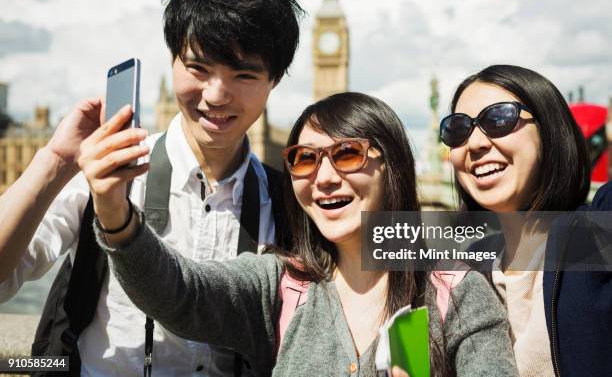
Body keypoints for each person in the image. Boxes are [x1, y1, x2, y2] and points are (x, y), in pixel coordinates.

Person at [84, 92, 519, 376]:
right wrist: (114, 211)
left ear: (392, 165)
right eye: (305, 159)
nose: (324, 177)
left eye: (347, 154)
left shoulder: (456, 294)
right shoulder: (281, 285)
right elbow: (178, 293)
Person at [0, 0, 303, 375]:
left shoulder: (290, 201)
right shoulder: (107, 172)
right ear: (173, 59)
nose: (215, 95)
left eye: (243, 75)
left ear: (274, 80)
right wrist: (55, 160)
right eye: (198, 68)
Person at [439, 64, 612, 376]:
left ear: (550, 130)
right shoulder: (465, 273)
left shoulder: (598, 237)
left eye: (499, 118)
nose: (475, 143)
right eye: (458, 129)